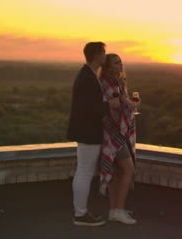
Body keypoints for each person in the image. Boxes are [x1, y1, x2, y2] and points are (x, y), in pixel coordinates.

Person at [67, 42, 120, 226]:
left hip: (86, 131)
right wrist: (109, 105)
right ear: (97, 55)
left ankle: (80, 212)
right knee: (84, 172)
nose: (105, 57)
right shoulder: (87, 78)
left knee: (83, 171)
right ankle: (80, 214)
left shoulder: (87, 75)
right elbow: (88, 108)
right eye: (103, 53)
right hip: (88, 132)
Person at [99, 53, 139, 225]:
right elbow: (116, 110)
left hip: (108, 134)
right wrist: (131, 107)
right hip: (113, 135)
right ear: (108, 67)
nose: (120, 64)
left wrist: (130, 105)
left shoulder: (113, 83)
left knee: (115, 174)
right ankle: (119, 210)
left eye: (121, 61)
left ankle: (114, 210)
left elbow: (120, 105)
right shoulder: (111, 84)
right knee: (129, 170)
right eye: (116, 62)